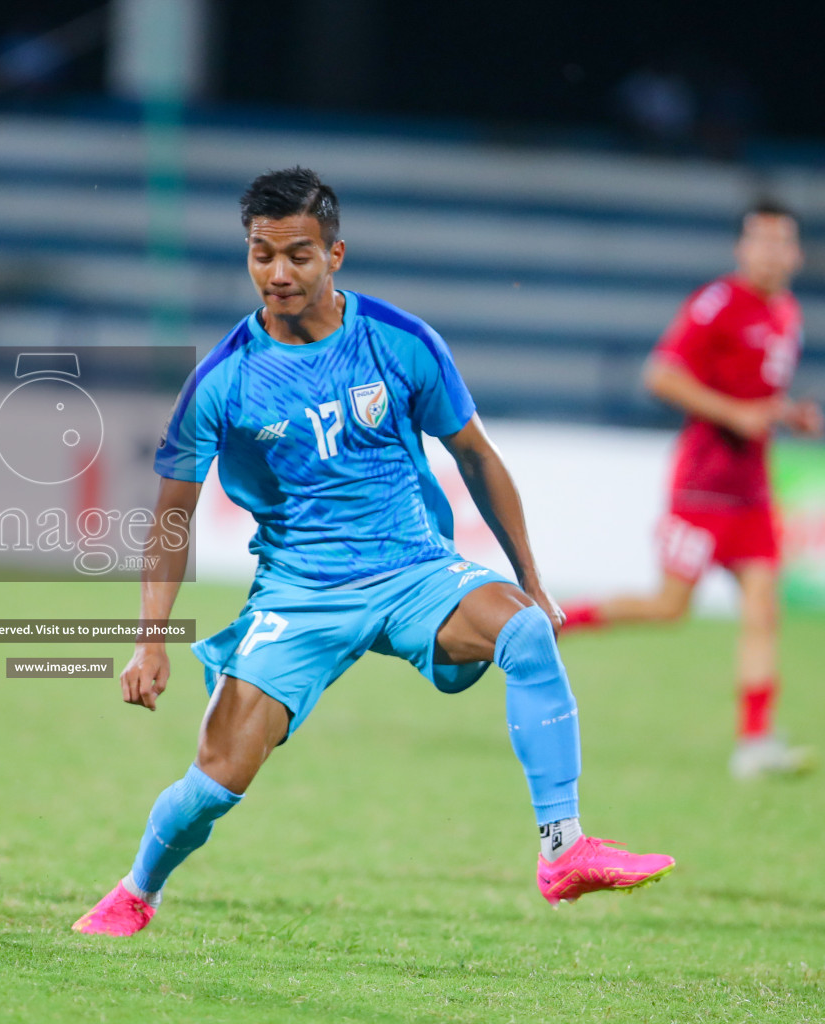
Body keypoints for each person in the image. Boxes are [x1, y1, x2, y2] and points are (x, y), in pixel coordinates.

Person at [71, 168, 675, 937]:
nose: (279, 274)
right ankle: (136, 891)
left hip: (418, 571)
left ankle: (562, 850)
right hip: (300, 593)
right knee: (216, 781)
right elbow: (172, 517)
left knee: (523, 629)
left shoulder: (400, 342)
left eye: (298, 255)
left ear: (336, 254)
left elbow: (479, 459)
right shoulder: (223, 382)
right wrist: (148, 639)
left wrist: (533, 582)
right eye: (261, 255)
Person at [561, 202, 820, 780]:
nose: (772, 252)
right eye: (761, 240)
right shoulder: (719, 304)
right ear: (742, 249)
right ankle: (556, 622)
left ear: (797, 253)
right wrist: (737, 413)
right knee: (667, 607)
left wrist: (782, 415)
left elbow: (754, 397)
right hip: (703, 490)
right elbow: (661, 374)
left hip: (750, 490)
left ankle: (755, 740)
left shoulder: (786, 314)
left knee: (763, 609)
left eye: (782, 242)